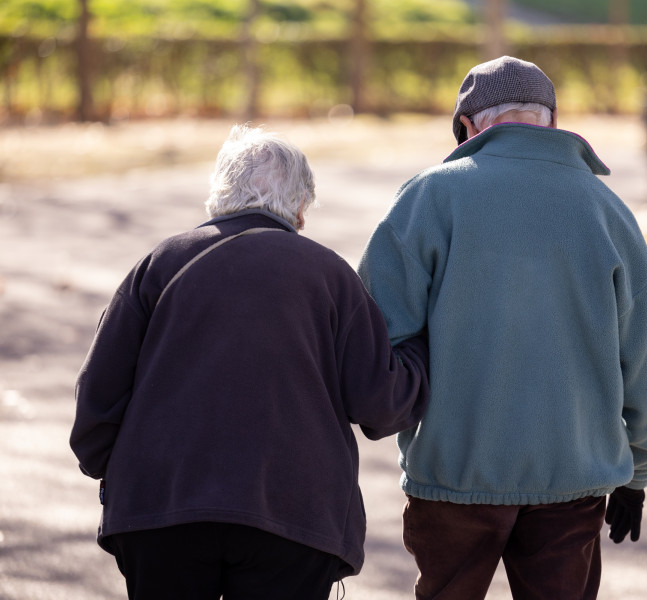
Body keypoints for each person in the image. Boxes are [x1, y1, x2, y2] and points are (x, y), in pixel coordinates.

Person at [357, 56, 647, 600]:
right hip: (573, 478)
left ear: (467, 126)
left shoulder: (429, 197)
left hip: (453, 475)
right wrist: (637, 474)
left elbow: (376, 340)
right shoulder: (606, 209)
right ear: (551, 121)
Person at [69, 124, 430, 600]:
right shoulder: (330, 276)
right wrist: (420, 350)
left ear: (218, 196)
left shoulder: (159, 264)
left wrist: (116, 477)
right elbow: (381, 406)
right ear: (300, 207)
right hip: (294, 516)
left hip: (162, 511)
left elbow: (97, 402)